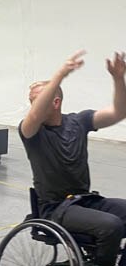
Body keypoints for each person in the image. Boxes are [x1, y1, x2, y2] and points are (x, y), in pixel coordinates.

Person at [19, 50, 126, 266]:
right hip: (55, 208)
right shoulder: (32, 132)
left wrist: (117, 78)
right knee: (111, 225)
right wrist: (60, 74)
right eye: (31, 102)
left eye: (37, 100)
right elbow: (35, 116)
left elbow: (118, 112)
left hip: (85, 200)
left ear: (56, 102)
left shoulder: (80, 121)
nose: (33, 107)